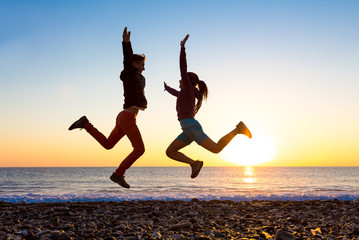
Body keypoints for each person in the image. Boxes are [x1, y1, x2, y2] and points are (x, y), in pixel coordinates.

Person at [164, 34, 252, 178]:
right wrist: (166, 88)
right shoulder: (185, 93)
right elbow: (176, 93)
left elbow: (183, 67)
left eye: (182, 80)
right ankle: (194, 164)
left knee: (216, 149)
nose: (180, 81)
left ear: (187, 81)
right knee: (170, 152)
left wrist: (182, 48)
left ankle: (237, 130)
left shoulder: (188, 88)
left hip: (191, 127)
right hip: (187, 129)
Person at [68, 27, 147, 189]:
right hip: (127, 117)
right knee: (139, 149)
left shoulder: (137, 77)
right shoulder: (130, 74)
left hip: (124, 116)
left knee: (108, 144)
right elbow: (127, 60)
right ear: (135, 64)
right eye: (141, 64)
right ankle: (118, 174)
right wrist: (126, 44)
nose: (144, 67)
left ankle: (85, 124)